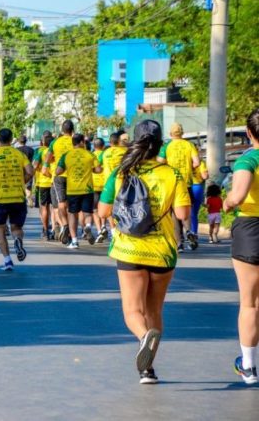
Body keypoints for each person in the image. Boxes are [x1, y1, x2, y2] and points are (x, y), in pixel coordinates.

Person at [98, 120, 191, 384]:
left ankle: (143, 342)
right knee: (154, 311)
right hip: (162, 252)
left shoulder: (122, 172)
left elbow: (103, 211)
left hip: (129, 249)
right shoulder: (172, 174)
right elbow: (183, 214)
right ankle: (147, 368)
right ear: (161, 144)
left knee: (132, 311)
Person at [223, 109, 259, 385]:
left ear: (249, 133)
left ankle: (248, 366)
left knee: (250, 302)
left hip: (251, 229)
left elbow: (238, 196)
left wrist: (226, 202)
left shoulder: (247, 160)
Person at [0, 128, 34, 271]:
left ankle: (7, 260)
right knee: (16, 227)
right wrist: (23, 181)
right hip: (18, 197)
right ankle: (17, 240)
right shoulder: (19, 154)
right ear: (11, 140)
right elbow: (30, 171)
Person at [157, 122, 200, 250]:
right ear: (182, 133)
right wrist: (189, 167)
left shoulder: (167, 146)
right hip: (186, 182)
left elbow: (159, 162)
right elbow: (197, 163)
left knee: (174, 214)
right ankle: (189, 230)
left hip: (171, 182)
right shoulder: (189, 145)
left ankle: (179, 243)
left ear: (170, 134)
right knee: (186, 209)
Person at [56, 134, 102, 249]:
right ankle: (88, 226)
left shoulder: (66, 155)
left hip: (72, 190)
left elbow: (58, 171)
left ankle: (75, 241)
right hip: (87, 189)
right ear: (81, 142)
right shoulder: (90, 154)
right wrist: (91, 169)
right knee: (87, 212)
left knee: (72, 214)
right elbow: (98, 170)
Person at [42, 120, 75, 244]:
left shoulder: (55, 142)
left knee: (61, 203)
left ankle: (64, 225)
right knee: (71, 205)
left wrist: (46, 167)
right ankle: (71, 231)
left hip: (59, 176)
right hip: (73, 176)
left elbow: (47, 159)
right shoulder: (76, 141)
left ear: (62, 129)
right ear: (73, 130)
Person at [98, 132, 128, 242]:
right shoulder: (125, 151)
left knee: (109, 209)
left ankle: (113, 230)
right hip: (123, 183)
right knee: (123, 206)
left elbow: (97, 167)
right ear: (119, 141)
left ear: (110, 142)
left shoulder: (105, 153)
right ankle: (124, 230)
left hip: (109, 184)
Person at [33, 132, 55, 240]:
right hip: (55, 182)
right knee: (55, 207)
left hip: (43, 183)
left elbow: (35, 165)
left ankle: (45, 230)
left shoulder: (40, 151)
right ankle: (55, 228)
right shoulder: (57, 152)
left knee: (44, 207)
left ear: (43, 142)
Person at [92, 138, 107, 241]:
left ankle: (98, 231)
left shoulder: (91, 155)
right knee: (104, 207)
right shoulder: (106, 155)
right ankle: (103, 225)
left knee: (95, 210)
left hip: (94, 185)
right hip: (105, 184)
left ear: (94, 146)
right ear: (103, 146)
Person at [191, 160, 209, 235]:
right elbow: (205, 176)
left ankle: (181, 235)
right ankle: (194, 233)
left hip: (183, 186)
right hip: (196, 187)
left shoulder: (185, 160)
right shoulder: (201, 162)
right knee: (194, 213)